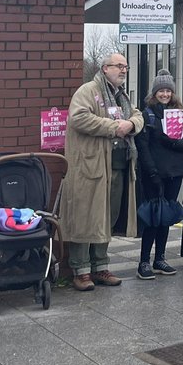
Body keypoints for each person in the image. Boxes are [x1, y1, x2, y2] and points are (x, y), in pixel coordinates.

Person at [63, 52, 144, 291]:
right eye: (119, 66)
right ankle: (81, 270)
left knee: (106, 219)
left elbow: (137, 116)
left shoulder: (122, 96)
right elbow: (78, 118)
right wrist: (113, 127)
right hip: (92, 168)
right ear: (105, 68)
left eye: (125, 67)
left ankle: (101, 267)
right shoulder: (88, 90)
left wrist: (131, 124)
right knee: (85, 218)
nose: (123, 70)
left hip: (117, 167)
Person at [134, 70, 183, 279]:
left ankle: (159, 258)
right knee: (152, 218)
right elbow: (143, 147)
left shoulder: (180, 113)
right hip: (154, 174)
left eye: (168, 90)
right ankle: (143, 262)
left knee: (166, 218)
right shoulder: (147, 114)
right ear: (155, 93)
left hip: (174, 173)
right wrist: (151, 172)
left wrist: (173, 142)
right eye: (161, 91)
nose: (165, 94)